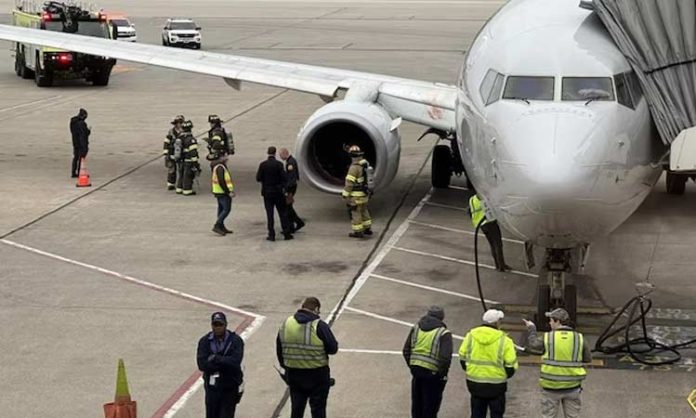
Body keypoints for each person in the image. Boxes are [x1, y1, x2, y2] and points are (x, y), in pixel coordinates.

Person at [276, 297, 338, 418]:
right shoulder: (319, 326)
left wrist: (287, 367)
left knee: (297, 409)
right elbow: (333, 348)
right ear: (316, 309)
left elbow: (279, 349)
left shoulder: (287, 323)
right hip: (317, 375)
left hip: (294, 375)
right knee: (318, 409)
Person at [523, 308, 591, 418]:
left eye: (551, 320)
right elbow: (587, 358)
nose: (549, 323)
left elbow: (533, 344)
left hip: (551, 387)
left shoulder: (548, 337)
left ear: (557, 321)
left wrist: (531, 328)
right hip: (572, 386)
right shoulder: (579, 338)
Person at [459, 309, 518, 418]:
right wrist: (504, 375)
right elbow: (511, 366)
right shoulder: (505, 340)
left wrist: (470, 370)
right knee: (497, 414)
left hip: (475, 383)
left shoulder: (471, 335)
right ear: (496, 323)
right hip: (497, 386)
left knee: (476, 413)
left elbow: (462, 357)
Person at [402, 306, 452, 418]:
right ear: (442, 317)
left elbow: (406, 350)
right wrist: (442, 375)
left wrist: (413, 366)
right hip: (432, 375)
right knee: (430, 407)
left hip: (416, 372)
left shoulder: (416, 328)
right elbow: (445, 358)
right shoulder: (443, 333)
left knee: (417, 405)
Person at [197, 312, 245, 418]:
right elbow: (202, 364)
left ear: (226, 325)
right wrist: (224, 363)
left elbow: (235, 362)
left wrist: (216, 359)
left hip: (229, 388)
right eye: (215, 325)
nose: (217, 328)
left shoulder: (235, 341)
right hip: (212, 389)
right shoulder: (205, 341)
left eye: (220, 325)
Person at [256, 146, 293, 241]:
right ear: (275, 153)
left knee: (270, 214)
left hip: (267, 193)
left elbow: (258, 178)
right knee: (282, 213)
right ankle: (286, 233)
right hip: (278, 192)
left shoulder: (263, 165)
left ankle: (271, 235)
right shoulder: (279, 165)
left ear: (267, 153)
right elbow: (284, 178)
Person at [468, 194, 510, 272]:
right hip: (490, 223)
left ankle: (498, 264)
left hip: (481, 225)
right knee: (498, 244)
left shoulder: (472, 199)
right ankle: (501, 265)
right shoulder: (484, 198)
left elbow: (469, 211)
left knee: (492, 244)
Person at [342, 145, 373, 238]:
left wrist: (345, 194)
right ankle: (367, 228)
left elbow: (349, 183)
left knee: (355, 212)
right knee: (364, 211)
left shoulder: (354, 168)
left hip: (356, 196)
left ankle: (358, 231)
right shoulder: (365, 164)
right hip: (364, 194)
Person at [280, 148, 305, 232]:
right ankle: (293, 225)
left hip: (290, 188)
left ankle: (297, 223)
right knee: (288, 207)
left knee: (288, 207)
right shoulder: (290, 161)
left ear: (285, 154)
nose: (280, 157)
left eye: (281, 155)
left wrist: (287, 190)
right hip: (291, 187)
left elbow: (291, 178)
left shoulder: (290, 163)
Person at [210, 153, 235, 236]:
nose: (227, 157)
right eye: (225, 156)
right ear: (221, 157)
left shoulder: (219, 166)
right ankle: (217, 225)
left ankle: (221, 226)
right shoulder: (220, 167)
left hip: (218, 191)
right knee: (226, 209)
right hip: (222, 192)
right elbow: (222, 180)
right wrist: (228, 191)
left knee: (221, 209)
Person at [164, 115, 184, 190]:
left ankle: (181, 184)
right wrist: (166, 152)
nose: (179, 124)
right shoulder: (171, 132)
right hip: (171, 152)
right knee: (171, 169)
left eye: (180, 122)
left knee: (181, 169)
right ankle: (171, 184)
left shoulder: (185, 131)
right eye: (178, 123)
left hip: (181, 153)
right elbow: (166, 142)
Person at [180, 120, 200, 196]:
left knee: (181, 174)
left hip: (181, 160)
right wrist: (195, 164)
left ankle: (179, 189)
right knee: (188, 176)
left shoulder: (180, 137)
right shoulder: (191, 139)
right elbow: (193, 153)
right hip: (189, 161)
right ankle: (187, 190)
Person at [70, 108, 90, 178]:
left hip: (75, 142)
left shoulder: (73, 122)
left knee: (75, 157)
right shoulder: (82, 124)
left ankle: (73, 172)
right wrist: (88, 131)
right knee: (81, 158)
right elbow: (83, 134)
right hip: (81, 143)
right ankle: (80, 172)